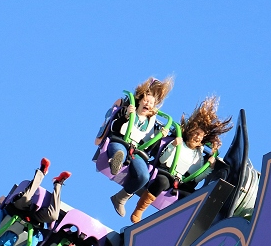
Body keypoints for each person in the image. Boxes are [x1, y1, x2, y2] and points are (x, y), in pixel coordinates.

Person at [130, 95, 233, 223]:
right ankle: (139, 209)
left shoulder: (198, 155)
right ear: (190, 132)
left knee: (193, 197)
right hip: (168, 173)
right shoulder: (179, 144)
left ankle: (182, 223)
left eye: (200, 137)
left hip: (183, 182)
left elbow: (196, 177)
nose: (197, 138)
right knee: (162, 181)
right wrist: (173, 145)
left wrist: (210, 167)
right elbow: (163, 160)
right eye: (195, 134)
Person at [95, 76, 175, 217]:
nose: (148, 104)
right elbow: (116, 127)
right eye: (146, 100)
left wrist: (161, 136)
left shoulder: (151, 123)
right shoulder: (128, 111)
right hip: (120, 142)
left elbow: (150, 147)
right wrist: (126, 115)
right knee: (119, 151)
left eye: (151, 103)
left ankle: (120, 198)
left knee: (144, 176)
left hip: (136, 151)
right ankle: (116, 161)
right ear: (140, 100)